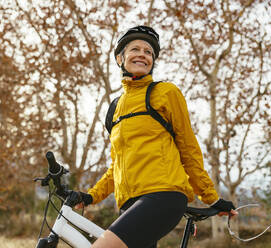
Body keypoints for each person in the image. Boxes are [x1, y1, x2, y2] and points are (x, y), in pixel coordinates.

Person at [74, 26, 237, 248]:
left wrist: (211, 197)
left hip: (163, 196)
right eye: (135, 49)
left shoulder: (166, 93)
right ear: (120, 58)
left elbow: (188, 149)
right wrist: (91, 196)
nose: (143, 54)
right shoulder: (115, 109)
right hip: (129, 204)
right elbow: (117, 166)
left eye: (149, 52)